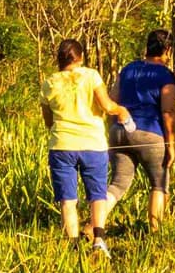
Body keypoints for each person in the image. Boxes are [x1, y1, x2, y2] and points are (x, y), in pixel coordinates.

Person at [39, 38, 131, 255]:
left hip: (61, 145)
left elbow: (48, 121)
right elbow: (107, 106)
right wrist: (122, 111)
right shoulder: (90, 76)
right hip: (93, 144)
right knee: (97, 195)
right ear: (80, 57)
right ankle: (99, 240)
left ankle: (72, 248)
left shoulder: (49, 82)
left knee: (68, 200)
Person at [109, 29, 175, 229]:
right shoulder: (165, 75)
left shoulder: (128, 69)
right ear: (167, 50)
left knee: (118, 184)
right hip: (150, 133)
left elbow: (112, 101)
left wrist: (111, 134)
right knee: (159, 184)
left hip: (120, 130)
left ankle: (93, 226)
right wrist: (171, 145)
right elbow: (167, 111)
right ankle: (155, 233)